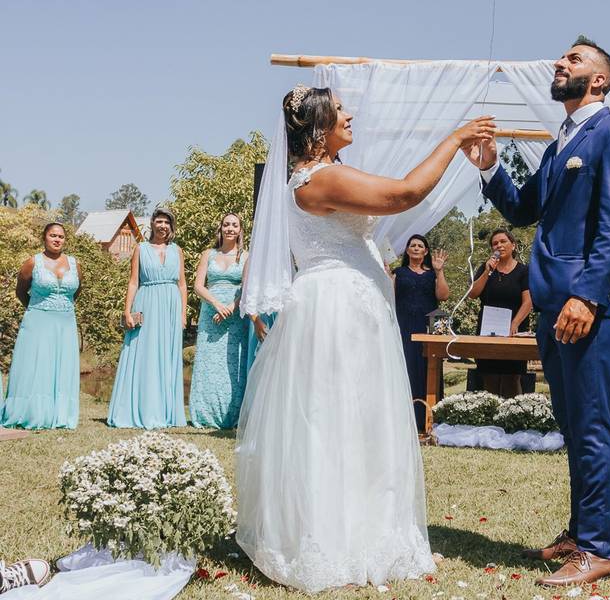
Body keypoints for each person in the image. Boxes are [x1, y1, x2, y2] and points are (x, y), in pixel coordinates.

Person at [236, 84, 494, 593]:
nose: (349, 115)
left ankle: (365, 529)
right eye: (339, 111)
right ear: (317, 129)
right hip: (336, 309)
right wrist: (456, 138)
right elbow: (403, 195)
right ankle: (329, 538)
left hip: (352, 303)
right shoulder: (319, 180)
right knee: (335, 418)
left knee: (359, 417)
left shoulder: (320, 175)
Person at [464, 40, 610, 586]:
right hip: (551, 308)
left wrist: (587, 296)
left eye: (575, 59)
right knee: (571, 423)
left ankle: (598, 549)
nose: (560, 64)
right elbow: (524, 209)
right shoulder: (559, 143)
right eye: (561, 58)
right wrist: (492, 167)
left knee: (593, 426)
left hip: (584, 308)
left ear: (599, 81)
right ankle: (579, 530)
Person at [107, 208, 188, 429]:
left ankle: (165, 411)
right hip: (147, 302)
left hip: (171, 306)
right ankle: (140, 408)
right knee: (144, 354)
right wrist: (127, 310)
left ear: (171, 227)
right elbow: (134, 282)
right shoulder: (140, 249)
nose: (163, 226)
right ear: (152, 223)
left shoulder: (177, 251)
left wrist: (183, 313)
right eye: (159, 221)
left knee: (166, 356)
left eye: (167, 222)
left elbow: (182, 284)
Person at [0, 223, 81, 430]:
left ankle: (61, 414)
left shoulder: (74, 263)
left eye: (61, 237)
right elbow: (21, 292)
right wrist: (38, 309)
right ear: (44, 237)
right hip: (37, 320)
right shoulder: (31, 262)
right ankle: (32, 412)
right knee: (36, 366)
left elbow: (76, 292)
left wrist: (62, 307)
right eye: (53, 235)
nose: (57, 239)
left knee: (62, 367)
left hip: (65, 321)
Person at [189, 213, 249, 429]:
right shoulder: (208, 254)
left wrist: (231, 308)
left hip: (235, 316)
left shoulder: (246, 256)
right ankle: (204, 414)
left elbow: (246, 288)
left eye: (234, 225)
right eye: (226, 224)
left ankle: (231, 415)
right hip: (210, 313)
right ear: (220, 228)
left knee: (231, 365)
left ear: (240, 230)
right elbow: (198, 285)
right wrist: (216, 304)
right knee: (208, 363)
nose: (230, 228)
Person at [393, 234, 449, 432]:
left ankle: (431, 418)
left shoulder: (433, 274)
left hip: (432, 324)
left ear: (425, 251)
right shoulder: (397, 273)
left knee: (430, 369)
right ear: (407, 250)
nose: (416, 248)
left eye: (420, 246)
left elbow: (443, 297)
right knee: (406, 369)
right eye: (412, 245)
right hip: (403, 325)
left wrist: (439, 271)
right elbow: (388, 298)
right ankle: (405, 421)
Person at [467, 228, 533, 397]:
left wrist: (514, 324)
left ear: (513, 245)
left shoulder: (524, 271)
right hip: (488, 331)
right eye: (495, 243)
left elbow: (528, 302)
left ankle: (512, 419)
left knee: (512, 379)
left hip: (514, 331)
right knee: (489, 378)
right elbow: (473, 294)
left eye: (503, 241)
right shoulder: (485, 268)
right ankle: (491, 421)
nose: (499, 245)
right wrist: (488, 272)